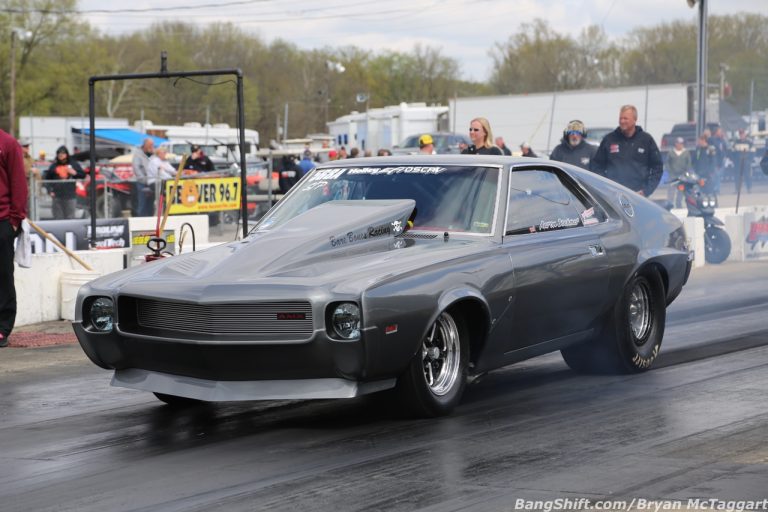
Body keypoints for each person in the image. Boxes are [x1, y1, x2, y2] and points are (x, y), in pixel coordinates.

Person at [591, 104, 663, 197]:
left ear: (635, 119)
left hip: (638, 196)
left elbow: (657, 167)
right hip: (613, 196)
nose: (622, 121)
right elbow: (597, 166)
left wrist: (646, 190)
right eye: (620, 118)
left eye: (625, 118)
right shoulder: (609, 140)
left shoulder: (646, 140)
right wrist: (606, 188)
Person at [1, 129, 29, 347]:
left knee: (2, 276)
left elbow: (19, 182)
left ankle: (2, 327)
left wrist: (15, 219)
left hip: (2, 220)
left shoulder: (8, 143)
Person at [44, 145, 85, 219]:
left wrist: (74, 173)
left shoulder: (73, 164)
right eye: (59, 153)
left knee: (70, 217)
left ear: (66, 154)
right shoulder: (53, 166)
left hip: (70, 196)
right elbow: (46, 180)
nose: (61, 155)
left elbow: (83, 175)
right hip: (57, 196)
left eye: (63, 153)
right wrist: (49, 191)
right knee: (58, 217)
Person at [665, 137, 692, 208]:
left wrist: (686, 172)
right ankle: (670, 204)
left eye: (681, 143)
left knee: (681, 190)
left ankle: (678, 204)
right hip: (672, 175)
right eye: (678, 143)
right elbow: (667, 163)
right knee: (671, 190)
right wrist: (670, 171)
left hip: (682, 175)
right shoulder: (671, 152)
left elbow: (689, 164)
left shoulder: (686, 152)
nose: (680, 145)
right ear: (676, 144)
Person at [132, 138, 155, 217]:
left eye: (152, 145)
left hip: (151, 182)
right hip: (142, 183)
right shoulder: (138, 154)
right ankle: (141, 221)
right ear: (145, 145)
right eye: (150, 145)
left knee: (150, 204)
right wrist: (143, 179)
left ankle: (150, 220)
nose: (152, 146)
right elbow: (136, 168)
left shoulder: (152, 154)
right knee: (142, 204)